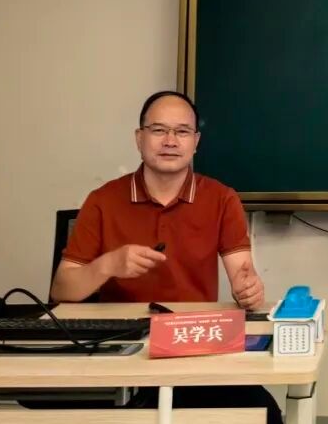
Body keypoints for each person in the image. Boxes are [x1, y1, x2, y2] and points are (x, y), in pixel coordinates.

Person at [50, 90, 281, 423]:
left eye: (182, 131)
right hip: (121, 349)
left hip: (192, 345)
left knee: (263, 412)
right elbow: (62, 290)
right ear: (139, 138)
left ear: (195, 142)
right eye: (158, 130)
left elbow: (244, 275)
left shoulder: (221, 199)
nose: (170, 141)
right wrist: (108, 264)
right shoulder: (103, 200)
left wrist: (249, 290)